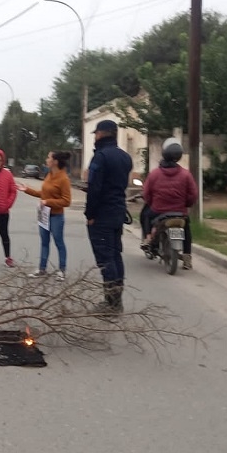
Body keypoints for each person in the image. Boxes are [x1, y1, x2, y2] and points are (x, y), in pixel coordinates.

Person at [85, 120, 133, 313]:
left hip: (102, 215)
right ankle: (116, 300)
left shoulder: (100, 157)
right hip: (118, 213)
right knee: (115, 255)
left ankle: (111, 303)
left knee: (106, 259)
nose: (95, 137)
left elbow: (94, 189)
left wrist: (90, 214)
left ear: (101, 134)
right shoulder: (125, 157)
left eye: (96, 134)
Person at [140, 138, 198, 270]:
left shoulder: (154, 174)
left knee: (145, 215)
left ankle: (148, 238)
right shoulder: (186, 174)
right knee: (186, 229)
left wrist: (151, 202)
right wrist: (186, 204)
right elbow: (193, 194)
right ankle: (187, 257)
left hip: (158, 211)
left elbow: (147, 194)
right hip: (180, 212)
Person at [17, 150, 72, 280]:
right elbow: (44, 193)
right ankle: (42, 269)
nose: (46, 160)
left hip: (56, 216)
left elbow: (66, 201)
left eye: (48, 158)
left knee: (59, 242)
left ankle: (62, 270)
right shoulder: (49, 175)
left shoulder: (63, 179)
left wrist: (48, 202)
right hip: (44, 214)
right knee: (44, 242)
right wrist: (27, 190)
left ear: (55, 161)